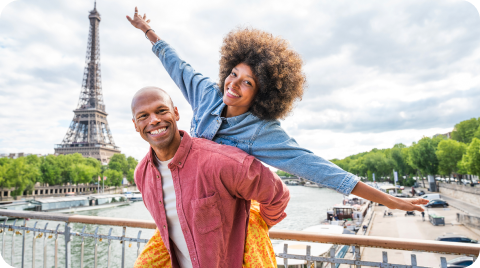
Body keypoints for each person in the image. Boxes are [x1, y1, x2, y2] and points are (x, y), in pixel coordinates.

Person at [126, 7, 429, 267]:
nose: (234, 85)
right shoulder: (207, 94)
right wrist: (147, 30)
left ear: (262, 94)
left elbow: (321, 170)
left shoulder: (261, 131)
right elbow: (177, 65)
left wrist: (391, 200)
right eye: (233, 74)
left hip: (236, 213)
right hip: (196, 205)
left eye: (248, 83)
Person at [131, 87, 290, 268]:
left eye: (161, 111)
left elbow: (278, 195)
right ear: (135, 125)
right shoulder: (142, 175)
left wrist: (255, 227)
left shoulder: (220, 161)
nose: (154, 120)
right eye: (143, 116)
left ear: (176, 113)